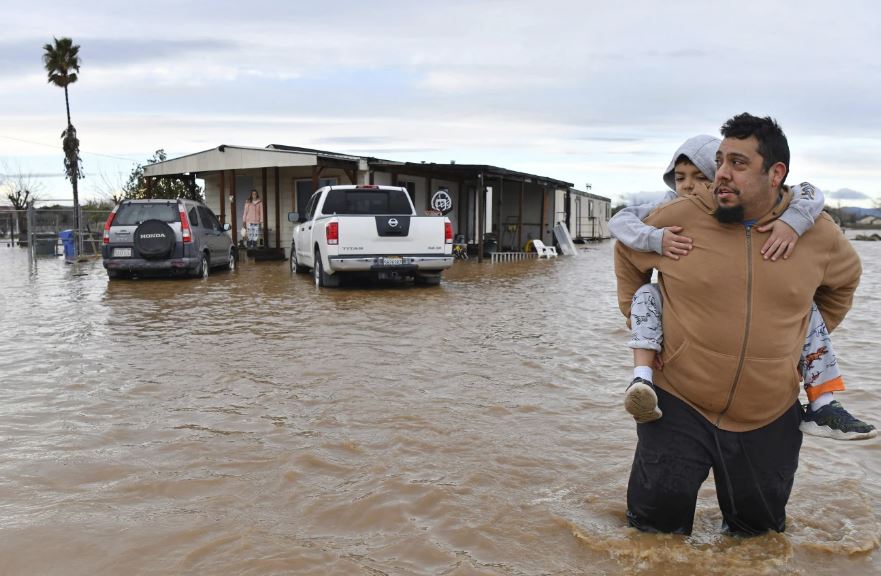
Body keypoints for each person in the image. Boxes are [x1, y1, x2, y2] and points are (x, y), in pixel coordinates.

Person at [614, 113, 862, 535]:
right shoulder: (681, 217)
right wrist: (651, 330)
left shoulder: (816, 233)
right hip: (677, 404)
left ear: (776, 173)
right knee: (652, 538)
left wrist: (792, 342)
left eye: (738, 163)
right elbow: (626, 252)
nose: (721, 175)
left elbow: (844, 282)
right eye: (721, 160)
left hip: (769, 414)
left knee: (757, 538)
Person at [609, 135, 875, 440]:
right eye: (680, 178)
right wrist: (654, 241)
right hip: (680, 394)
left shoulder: (796, 218)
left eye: (700, 177)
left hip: (768, 407)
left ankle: (823, 403)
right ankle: (641, 379)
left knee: (806, 308)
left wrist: (794, 222)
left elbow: (810, 193)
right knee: (646, 295)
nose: (688, 186)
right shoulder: (672, 214)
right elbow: (623, 231)